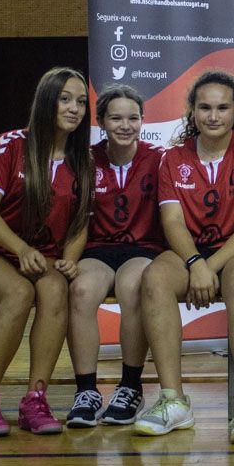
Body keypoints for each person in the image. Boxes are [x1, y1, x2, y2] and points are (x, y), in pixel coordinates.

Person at [134, 71, 234, 443]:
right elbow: (173, 221)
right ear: (193, 112)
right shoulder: (173, 158)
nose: (213, 116)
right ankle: (173, 400)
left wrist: (208, 267)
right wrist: (195, 263)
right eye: (205, 108)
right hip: (192, 252)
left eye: (222, 108)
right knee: (154, 279)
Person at [0, 67, 92, 438]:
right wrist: (20, 247)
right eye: (65, 99)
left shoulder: (83, 160)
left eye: (80, 101)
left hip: (40, 257)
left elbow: (80, 223)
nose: (74, 108)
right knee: (18, 292)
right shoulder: (11, 144)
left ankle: (35, 400)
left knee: (55, 288)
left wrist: (71, 258)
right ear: (46, 100)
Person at [63, 84, 164, 427]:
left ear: (142, 121)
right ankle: (87, 391)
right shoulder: (85, 161)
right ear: (101, 122)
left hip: (143, 247)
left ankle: (130, 387)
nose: (125, 125)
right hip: (99, 249)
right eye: (116, 118)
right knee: (80, 290)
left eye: (132, 118)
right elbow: (75, 218)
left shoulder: (159, 159)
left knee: (133, 286)